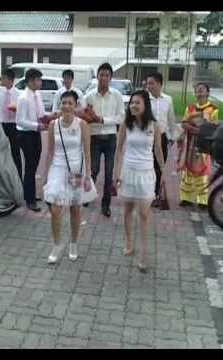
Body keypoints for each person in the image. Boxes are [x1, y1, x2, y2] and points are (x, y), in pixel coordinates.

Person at [113, 90, 165, 273]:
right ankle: (129, 242)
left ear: (145, 106)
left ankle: (144, 252)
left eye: (137, 103)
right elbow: (119, 150)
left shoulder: (154, 125)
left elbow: (158, 150)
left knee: (144, 214)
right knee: (127, 210)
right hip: (128, 172)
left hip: (146, 174)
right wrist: (116, 172)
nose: (133, 106)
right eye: (132, 103)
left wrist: (164, 171)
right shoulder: (125, 125)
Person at [43, 91, 97, 263]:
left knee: (75, 209)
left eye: (70, 103)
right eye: (63, 102)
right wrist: (46, 175)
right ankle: (56, 244)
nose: (66, 106)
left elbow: (87, 152)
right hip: (58, 169)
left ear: (76, 105)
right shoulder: (53, 124)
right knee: (56, 209)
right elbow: (50, 151)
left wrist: (88, 175)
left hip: (76, 170)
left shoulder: (82, 125)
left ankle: (74, 243)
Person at [84, 63, 125, 218]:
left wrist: (101, 119)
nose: (104, 78)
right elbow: (85, 117)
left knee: (109, 173)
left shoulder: (117, 96)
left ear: (111, 78)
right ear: (97, 76)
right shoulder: (89, 96)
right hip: (94, 138)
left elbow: (121, 117)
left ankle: (105, 204)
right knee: (93, 170)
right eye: (101, 75)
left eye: (107, 75)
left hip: (110, 139)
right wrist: (90, 117)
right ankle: (88, 196)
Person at [16, 68, 60, 212]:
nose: (40, 83)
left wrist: (50, 116)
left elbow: (41, 114)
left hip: (35, 133)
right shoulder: (23, 98)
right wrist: (38, 126)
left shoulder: (37, 95)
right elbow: (20, 121)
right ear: (30, 81)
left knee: (34, 164)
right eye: (38, 80)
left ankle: (30, 194)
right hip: (26, 134)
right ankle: (29, 199)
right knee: (29, 166)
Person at [178, 83, 218, 209]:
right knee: (188, 170)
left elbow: (212, 127)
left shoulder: (213, 109)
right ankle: (186, 198)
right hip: (190, 143)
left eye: (202, 91)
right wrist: (193, 128)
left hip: (204, 144)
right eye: (197, 91)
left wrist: (197, 128)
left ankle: (202, 200)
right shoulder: (190, 108)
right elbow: (184, 123)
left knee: (202, 171)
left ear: (207, 93)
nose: (199, 93)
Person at [146, 72, 178, 207]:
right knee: (148, 166)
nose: (149, 86)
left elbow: (171, 120)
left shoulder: (168, 100)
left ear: (159, 84)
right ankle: (146, 193)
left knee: (160, 167)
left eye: (151, 83)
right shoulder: (145, 99)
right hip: (148, 138)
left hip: (163, 137)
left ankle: (156, 194)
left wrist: (172, 136)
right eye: (148, 83)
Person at [0, 68, 22, 179]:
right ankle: (0, 176)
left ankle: (18, 177)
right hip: (1, 124)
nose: (1, 80)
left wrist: (17, 109)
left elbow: (21, 110)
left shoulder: (18, 94)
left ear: (9, 79)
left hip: (14, 124)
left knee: (15, 151)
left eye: (2, 78)